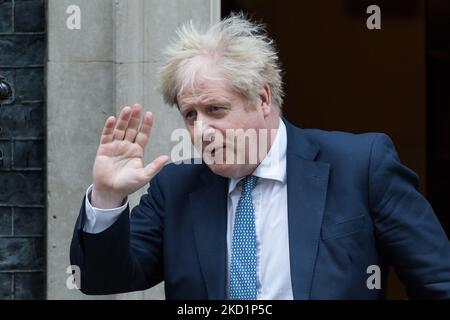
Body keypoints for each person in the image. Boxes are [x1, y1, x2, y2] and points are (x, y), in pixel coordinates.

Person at [70, 14, 450, 299]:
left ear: (263, 98)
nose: (201, 130)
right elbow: (101, 280)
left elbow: (437, 280)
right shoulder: (175, 189)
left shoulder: (360, 165)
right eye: (190, 115)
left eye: (215, 109)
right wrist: (107, 197)